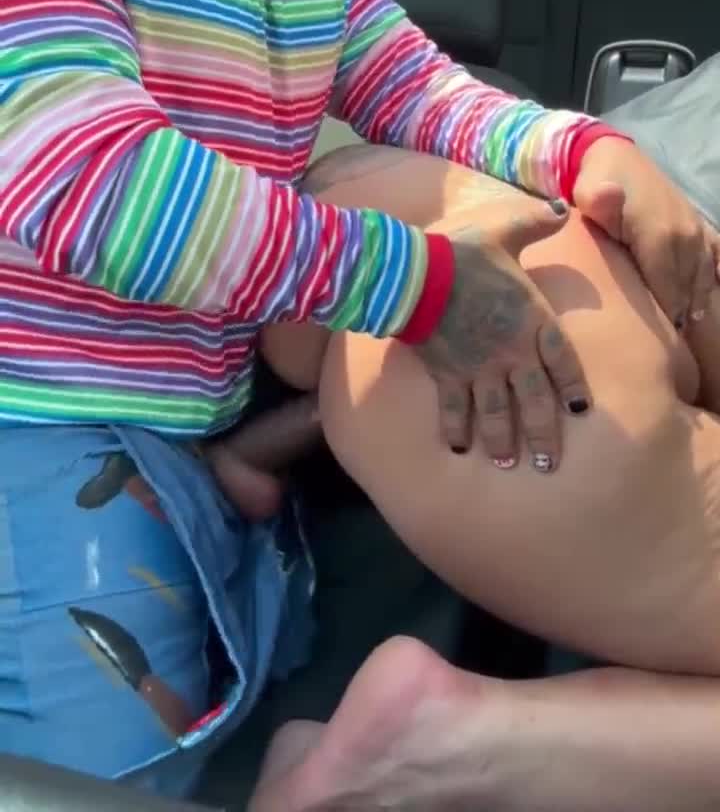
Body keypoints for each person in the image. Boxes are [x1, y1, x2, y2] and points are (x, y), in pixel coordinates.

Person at [0, 0, 717, 799]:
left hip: (199, 417)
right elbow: (73, 172)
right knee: (114, 778)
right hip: (43, 426)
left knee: (258, 667)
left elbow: (423, 94)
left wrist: (586, 145)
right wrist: (421, 286)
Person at [220, 138, 720, 812]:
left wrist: (257, 448)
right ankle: (449, 742)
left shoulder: (332, 195)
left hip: (421, 314)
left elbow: (302, 353)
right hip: (553, 334)